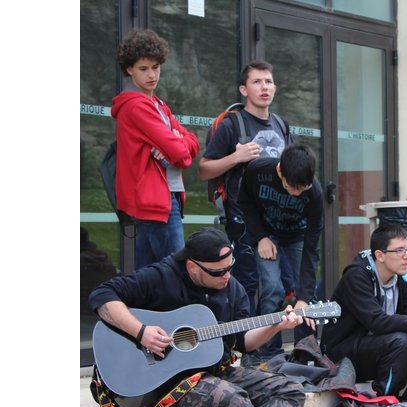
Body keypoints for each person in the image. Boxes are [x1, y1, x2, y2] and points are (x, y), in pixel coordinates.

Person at [87, 227, 307, 407]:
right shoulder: (161, 276)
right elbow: (102, 295)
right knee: (229, 398)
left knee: (291, 391)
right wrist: (141, 332)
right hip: (172, 383)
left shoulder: (234, 289)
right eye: (217, 272)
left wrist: (275, 326)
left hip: (217, 373)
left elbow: (244, 342)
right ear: (192, 266)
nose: (227, 276)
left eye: (230, 267)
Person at [320, 224, 407, 397]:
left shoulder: (401, 276)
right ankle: (385, 401)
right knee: (399, 341)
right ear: (380, 255)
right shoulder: (357, 276)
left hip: (380, 348)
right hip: (343, 356)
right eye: (399, 251)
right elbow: (377, 322)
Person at [198, 60, 294, 316]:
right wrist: (236, 157)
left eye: (268, 81)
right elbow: (204, 169)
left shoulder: (281, 125)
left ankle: (266, 339)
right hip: (243, 222)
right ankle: (245, 338)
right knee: (247, 286)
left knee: (280, 288)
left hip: (279, 221)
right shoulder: (232, 125)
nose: (264, 87)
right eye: (256, 82)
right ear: (243, 89)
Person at [112, 29, 200, 270]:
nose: (152, 75)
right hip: (155, 200)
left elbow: (193, 142)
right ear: (129, 69)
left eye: (156, 67)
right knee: (176, 273)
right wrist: (176, 145)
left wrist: (177, 142)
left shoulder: (158, 105)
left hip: (160, 197)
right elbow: (181, 155)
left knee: (148, 276)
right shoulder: (137, 106)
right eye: (143, 69)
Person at [238, 144, 324, 365]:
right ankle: (268, 353)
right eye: (290, 187)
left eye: (301, 189)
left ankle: (305, 353)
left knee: (307, 295)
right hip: (267, 233)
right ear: (279, 171)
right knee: (272, 288)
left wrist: (303, 299)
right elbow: (245, 202)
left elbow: (311, 250)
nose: (296, 193)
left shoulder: (315, 194)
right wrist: (260, 237)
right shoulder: (257, 171)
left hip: (298, 236)